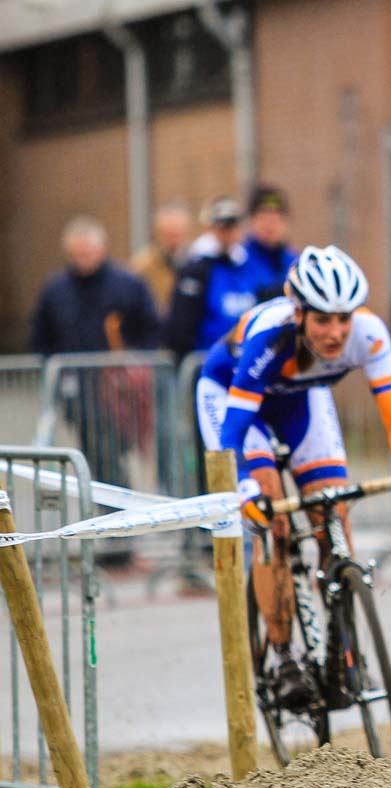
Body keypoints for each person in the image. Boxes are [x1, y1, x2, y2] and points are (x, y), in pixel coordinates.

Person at [196, 244, 391, 707]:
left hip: (303, 403)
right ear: (299, 312)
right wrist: (244, 485)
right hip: (236, 403)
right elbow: (234, 432)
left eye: (344, 318)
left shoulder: (369, 334)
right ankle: (283, 658)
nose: (336, 332)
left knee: (333, 513)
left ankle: (343, 651)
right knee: (274, 525)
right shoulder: (270, 336)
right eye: (323, 320)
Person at [31, 215, 162, 569]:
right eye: (78, 254)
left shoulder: (127, 284)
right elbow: (41, 340)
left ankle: (121, 536)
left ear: (101, 249)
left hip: (122, 393)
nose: (84, 259)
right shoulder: (56, 289)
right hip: (78, 395)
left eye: (89, 252)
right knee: (99, 462)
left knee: (115, 461)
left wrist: (133, 364)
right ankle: (114, 538)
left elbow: (151, 331)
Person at [166, 196, 254, 360]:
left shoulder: (247, 267)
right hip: (205, 361)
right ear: (210, 228)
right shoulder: (196, 269)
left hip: (243, 360)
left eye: (232, 226)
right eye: (222, 227)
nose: (227, 233)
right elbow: (181, 325)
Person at [130, 201, 193, 312]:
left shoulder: (197, 263)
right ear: (159, 232)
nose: (174, 239)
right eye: (169, 233)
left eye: (178, 233)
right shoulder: (142, 266)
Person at [241, 184, 298, 303]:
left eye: (276, 219)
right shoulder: (237, 261)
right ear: (252, 220)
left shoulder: (296, 263)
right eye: (264, 218)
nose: (270, 225)